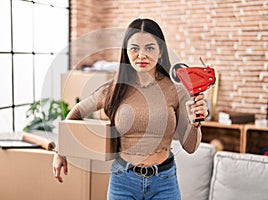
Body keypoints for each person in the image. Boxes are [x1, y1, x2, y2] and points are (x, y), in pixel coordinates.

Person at [53, 18, 208, 200]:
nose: (141, 55)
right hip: (123, 181)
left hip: (164, 181)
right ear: (126, 52)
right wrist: (60, 150)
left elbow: (190, 147)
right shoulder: (114, 89)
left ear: (160, 52)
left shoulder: (177, 91)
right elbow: (77, 112)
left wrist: (195, 122)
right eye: (134, 48)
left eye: (149, 48)